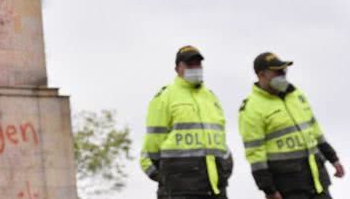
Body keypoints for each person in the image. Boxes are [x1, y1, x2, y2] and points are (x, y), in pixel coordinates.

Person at [239, 52, 344, 199]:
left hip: (318, 181)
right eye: (277, 71)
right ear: (261, 75)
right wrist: (269, 189)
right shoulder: (251, 108)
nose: (283, 73)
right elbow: (255, 153)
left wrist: (333, 159)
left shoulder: (296, 95)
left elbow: (315, 131)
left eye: (284, 70)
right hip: (289, 188)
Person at [140, 45, 233, 198]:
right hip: (181, 188)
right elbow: (152, 144)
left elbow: (220, 139)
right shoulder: (164, 97)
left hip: (216, 187)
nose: (195, 68)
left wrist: (226, 164)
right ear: (177, 68)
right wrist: (168, 176)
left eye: (198, 64)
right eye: (190, 64)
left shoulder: (211, 97)